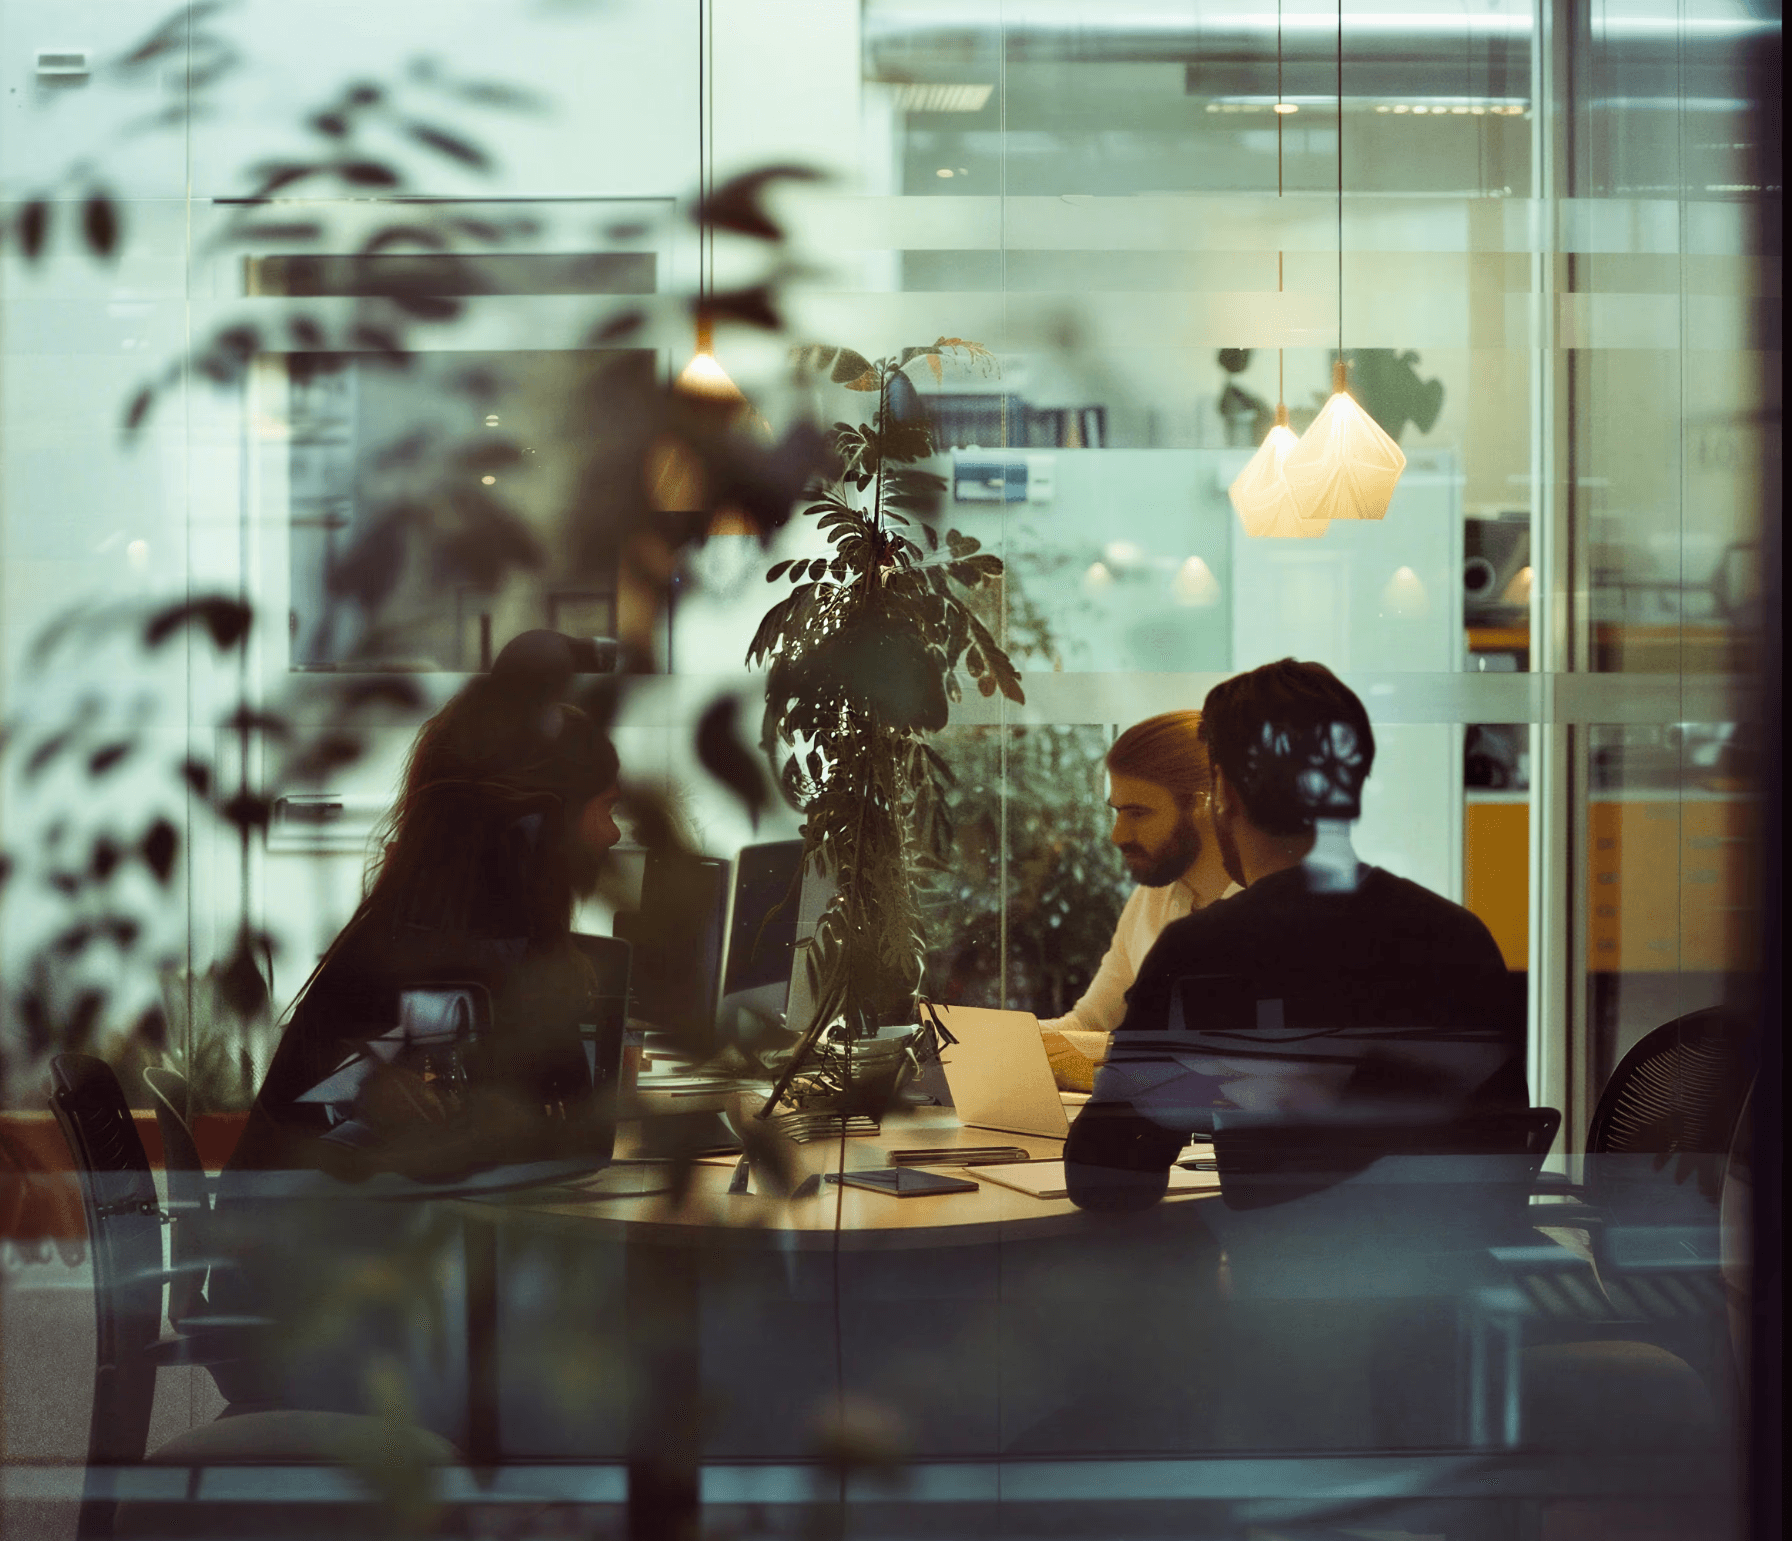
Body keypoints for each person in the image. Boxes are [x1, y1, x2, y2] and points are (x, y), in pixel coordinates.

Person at [1064, 659, 1525, 1211]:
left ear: (1224, 794)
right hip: (1458, 1282)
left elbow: (1102, 1179)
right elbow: (1496, 1151)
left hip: (1280, 1285)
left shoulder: (1205, 949)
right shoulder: (1459, 936)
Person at [226, 630, 623, 1179]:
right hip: (305, 1248)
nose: (612, 834)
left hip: (341, 1235)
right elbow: (549, 1128)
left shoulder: (459, 934)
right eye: (603, 809)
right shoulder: (437, 951)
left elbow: (558, 1112)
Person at [1038, 711, 1238, 1091]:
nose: (1117, 835)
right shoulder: (1152, 898)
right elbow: (1088, 1026)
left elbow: (1223, 1069)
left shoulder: (1277, 909)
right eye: (1116, 812)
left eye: (1138, 813)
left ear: (1202, 805)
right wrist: (995, 1044)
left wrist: (1101, 1057)